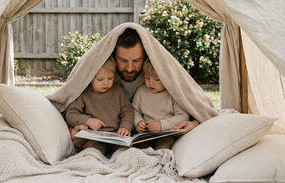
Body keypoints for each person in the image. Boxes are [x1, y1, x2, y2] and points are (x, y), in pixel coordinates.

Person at [70, 28, 199, 148]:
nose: (130, 68)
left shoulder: (155, 72)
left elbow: (196, 106)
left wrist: (194, 124)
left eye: (137, 61)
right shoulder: (102, 72)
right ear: (113, 56)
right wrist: (74, 131)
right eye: (123, 60)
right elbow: (67, 106)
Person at [65, 56, 134, 155]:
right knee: (91, 152)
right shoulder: (85, 93)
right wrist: (88, 120)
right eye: (100, 79)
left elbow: (127, 111)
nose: (106, 83)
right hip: (95, 138)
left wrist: (125, 127)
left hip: (117, 136)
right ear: (90, 78)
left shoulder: (118, 91)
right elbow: (71, 114)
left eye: (110, 78)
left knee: (127, 153)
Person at [132, 59, 189, 149]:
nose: (151, 83)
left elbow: (183, 116)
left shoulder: (172, 94)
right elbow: (135, 110)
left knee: (163, 146)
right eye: (147, 78)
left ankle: (159, 160)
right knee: (140, 148)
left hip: (166, 134)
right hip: (146, 135)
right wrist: (138, 122)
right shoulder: (141, 91)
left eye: (157, 79)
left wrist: (162, 125)